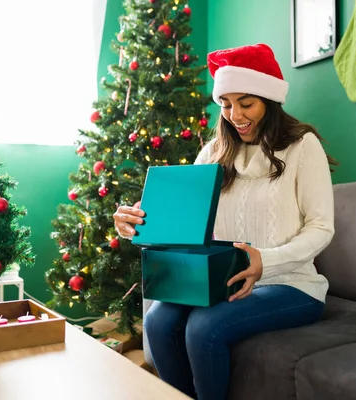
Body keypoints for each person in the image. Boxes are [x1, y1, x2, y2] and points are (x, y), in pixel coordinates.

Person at [113, 43, 337, 400]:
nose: (235, 114)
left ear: (269, 100)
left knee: (204, 327)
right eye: (226, 104)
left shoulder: (301, 145)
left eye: (246, 103)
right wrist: (136, 220)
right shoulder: (214, 152)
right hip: (225, 282)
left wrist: (266, 259)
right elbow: (183, 217)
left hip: (292, 283)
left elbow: (321, 228)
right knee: (157, 321)